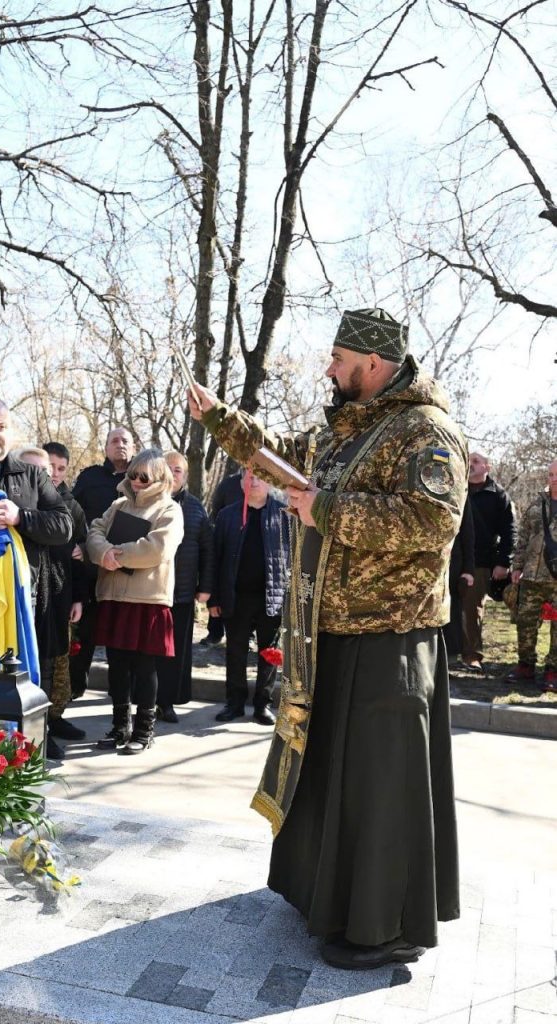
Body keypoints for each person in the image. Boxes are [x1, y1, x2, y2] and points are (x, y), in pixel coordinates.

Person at [188, 306, 466, 970]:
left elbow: (433, 521)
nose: (329, 370)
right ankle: (323, 898)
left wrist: (326, 509)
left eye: (338, 360)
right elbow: (277, 457)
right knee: (329, 780)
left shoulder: (425, 431)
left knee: (379, 790)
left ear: (373, 365)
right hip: (332, 637)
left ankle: (385, 927)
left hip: (390, 640)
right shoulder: (344, 431)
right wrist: (218, 418)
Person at [0, 399, 71, 705]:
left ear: (10, 432)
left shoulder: (32, 476)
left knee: (17, 690)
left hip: (22, 602)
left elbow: (63, 526)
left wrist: (20, 517)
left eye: (0, 427)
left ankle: (14, 751)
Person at [86, 448, 184, 754]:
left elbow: (157, 548)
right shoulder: (117, 504)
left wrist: (118, 554)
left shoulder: (169, 510)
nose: (137, 481)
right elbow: (95, 531)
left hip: (147, 599)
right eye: (133, 475)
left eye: (144, 476)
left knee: (144, 667)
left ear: (159, 477)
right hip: (114, 595)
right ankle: (119, 726)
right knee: (117, 665)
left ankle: (144, 730)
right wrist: (104, 554)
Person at [13, 446, 88, 757]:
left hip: (58, 596)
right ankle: (33, 731)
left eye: (52, 470)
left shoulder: (68, 507)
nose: (47, 476)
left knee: (53, 664)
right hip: (26, 599)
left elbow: (79, 556)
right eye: (39, 470)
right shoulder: (13, 505)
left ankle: (50, 722)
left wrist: (79, 597)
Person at [210, 470, 289, 726]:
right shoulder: (227, 515)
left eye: (258, 477)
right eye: (248, 477)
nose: (252, 481)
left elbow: (294, 558)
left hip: (272, 597)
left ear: (269, 480)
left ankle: (262, 705)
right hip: (236, 597)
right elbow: (216, 559)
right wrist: (214, 599)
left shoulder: (284, 514)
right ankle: (234, 703)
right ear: (241, 482)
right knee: (235, 652)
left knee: (269, 653)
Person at [70, 426, 135, 697]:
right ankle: (75, 687)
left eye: (125, 441)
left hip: (128, 570)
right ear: (106, 447)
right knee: (84, 632)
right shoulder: (89, 477)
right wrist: (81, 547)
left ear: (133, 447)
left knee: (123, 635)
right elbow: (73, 515)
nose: (120, 444)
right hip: (90, 569)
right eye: (114, 440)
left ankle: (122, 692)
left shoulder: (141, 479)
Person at [155, 451, 215, 722]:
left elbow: (207, 549)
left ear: (184, 475)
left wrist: (205, 586)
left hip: (181, 592)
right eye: (168, 468)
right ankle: (144, 701)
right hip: (149, 592)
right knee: (148, 652)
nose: (172, 473)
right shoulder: (147, 502)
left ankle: (167, 703)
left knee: (175, 652)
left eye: (177, 470)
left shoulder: (195, 508)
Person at [460, 451, 515, 671]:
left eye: (476, 461)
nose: (471, 465)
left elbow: (510, 531)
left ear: (487, 467)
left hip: (480, 561)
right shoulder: (456, 487)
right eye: (468, 461)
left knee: (472, 609)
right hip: (452, 559)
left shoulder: (498, 495)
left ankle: (472, 655)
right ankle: (448, 654)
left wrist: (503, 562)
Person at [507, 460, 557, 691]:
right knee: (525, 623)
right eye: (550, 474)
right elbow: (523, 539)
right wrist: (517, 567)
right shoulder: (536, 504)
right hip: (531, 578)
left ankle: (552, 671)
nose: (553, 479)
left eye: (556, 474)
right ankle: (525, 666)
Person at [199, 470, 243, 648]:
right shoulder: (227, 485)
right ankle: (215, 631)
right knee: (220, 589)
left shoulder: (269, 482)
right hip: (227, 544)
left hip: (251, 548)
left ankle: (247, 636)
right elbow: (216, 512)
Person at [443, 501, 476, 661]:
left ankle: (449, 659)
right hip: (423, 565)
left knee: (451, 612)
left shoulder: (460, 491)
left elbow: (468, 534)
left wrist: (468, 570)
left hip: (453, 566)